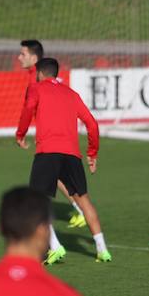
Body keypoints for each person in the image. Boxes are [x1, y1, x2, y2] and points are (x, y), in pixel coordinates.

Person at [15, 58, 111, 264]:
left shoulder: (36, 88)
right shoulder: (71, 94)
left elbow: (28, 108)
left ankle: (56, 246)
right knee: (84, 200)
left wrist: (20, 134)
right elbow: (92, 124)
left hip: (47, 153)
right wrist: (92, 153)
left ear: (40, 73)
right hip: (72, 156)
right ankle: (102, 250)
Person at [18, 40, 86, 229]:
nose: (19, 57)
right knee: (54, 174)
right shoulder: (43, 77)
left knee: (50, 174)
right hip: (60, 135)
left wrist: (21, 134)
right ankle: (80, 209)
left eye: (22, 54)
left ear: (34, 58)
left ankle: (80, 210)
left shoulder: (37, 80)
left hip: (53, 137)